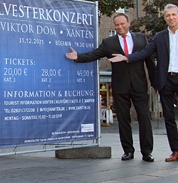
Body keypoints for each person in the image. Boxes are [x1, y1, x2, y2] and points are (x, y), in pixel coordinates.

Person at [109, 4, 178, 164]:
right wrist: (127, 57)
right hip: (166, 81)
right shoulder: (160, 37)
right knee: (168, 117)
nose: (171, 18)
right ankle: (176, 151)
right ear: (165, 18)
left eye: (173, 15)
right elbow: (145, 52)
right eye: (168, 15)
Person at [65, 13, 156, 162]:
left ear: (129, 23)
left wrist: (155, 82)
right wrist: (78, 57)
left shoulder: (141, 38)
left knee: (144, 119)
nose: (119, 27)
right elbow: (95, 54)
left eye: (122, 24)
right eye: (117, 25)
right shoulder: (109, 42)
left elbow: (149, 62)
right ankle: (128, 151)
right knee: (123, 120)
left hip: (140, 86)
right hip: (120, 87)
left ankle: (147, 152)